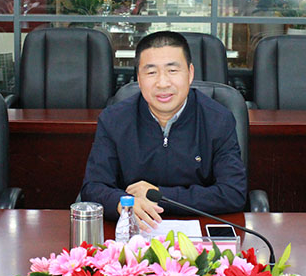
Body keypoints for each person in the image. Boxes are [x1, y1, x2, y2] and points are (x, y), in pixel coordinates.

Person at [80, 31, 247, 227]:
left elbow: (233, 193)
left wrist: (159, 196)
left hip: (199, 232)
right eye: (151, 72)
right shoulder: (114, 120)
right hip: (134, 231)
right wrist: (123, 203)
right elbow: (93, 188)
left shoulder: (218, 119)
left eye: (172, 70)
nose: (163, 83)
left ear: (190, 73)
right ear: (139, 78)